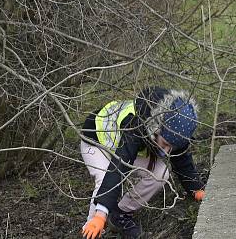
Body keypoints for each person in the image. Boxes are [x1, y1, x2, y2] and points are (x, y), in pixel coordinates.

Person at [80, 87, 205, 239]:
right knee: (103, 179)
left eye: (171, 147)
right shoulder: (135, 124)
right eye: (165, 144)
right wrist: (100, 214)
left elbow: (182, 158)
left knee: (160, 173)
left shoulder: (179, 127)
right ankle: (91, 230)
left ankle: (120, 214)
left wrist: (195, 188)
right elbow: (119, 166)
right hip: (96, 141)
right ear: (157, 128)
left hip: (118, 146)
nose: (166, 151)